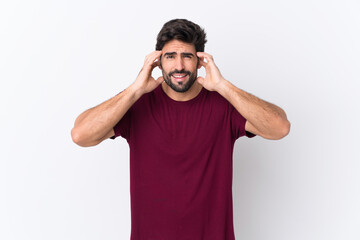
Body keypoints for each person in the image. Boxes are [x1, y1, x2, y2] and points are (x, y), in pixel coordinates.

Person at [71, 19, 290, 240]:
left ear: (200, 61)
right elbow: (81, 135)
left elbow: (279, 128)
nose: (179, 66)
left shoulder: (224, 105)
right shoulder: (137, 105)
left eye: (187, 56)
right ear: (157, 61)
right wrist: (135, 89)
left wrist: (223, 85)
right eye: (170, 56)